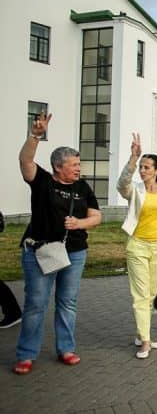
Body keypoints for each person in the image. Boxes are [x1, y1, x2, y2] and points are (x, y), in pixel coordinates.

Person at [14, 113, 102, 375]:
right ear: (58, 166)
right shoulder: (42, 182)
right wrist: (35, 136)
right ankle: (26, 354)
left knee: (68, 302)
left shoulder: (83, 187)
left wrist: (79, 224)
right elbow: (25, 160)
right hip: (40, 252)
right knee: (36, 304)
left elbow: (96, 216)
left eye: (78, 163)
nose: (78, 168)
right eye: (74, 164)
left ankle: (66, 349)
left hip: (75, 254)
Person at [117, 134, 157, 359]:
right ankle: (145, 341)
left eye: (147, 167)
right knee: (140, 295)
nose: (143, 171)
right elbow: (121, 184)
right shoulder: (135, 190)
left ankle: (141, 333)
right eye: (141, 167)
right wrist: (133, 158)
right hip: (138, 247)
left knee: (150, 295)